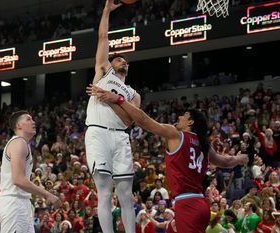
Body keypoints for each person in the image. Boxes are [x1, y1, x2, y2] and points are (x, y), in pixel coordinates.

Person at [86, 85, 249, 233]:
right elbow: (226, 162)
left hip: (188, 204)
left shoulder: (176, 134)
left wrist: (119, 99)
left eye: (183, 116)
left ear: (190, 122)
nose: (179, 117)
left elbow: (144, 121)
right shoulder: (204, 144)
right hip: (201, 204)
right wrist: (240, 158)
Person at [84, 0, 141, 232]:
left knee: (126, 194)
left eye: (125, 61)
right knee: (105, 191)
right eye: (119, 59)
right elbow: (103, 38)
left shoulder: (134, 95)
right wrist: (106, 10)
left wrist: (111, 98)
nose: (123, 61)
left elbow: (129, 121)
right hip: (97, 132)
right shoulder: (103, 70)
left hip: (120, 137)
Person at [0, 110, 61, 233]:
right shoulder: (18, 143)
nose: (33, 122)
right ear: (18, 126)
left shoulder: (22, 144)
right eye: (28, 119)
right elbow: (18, 179)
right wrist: (48, 195)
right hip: (14, 203)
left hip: (21, 203)